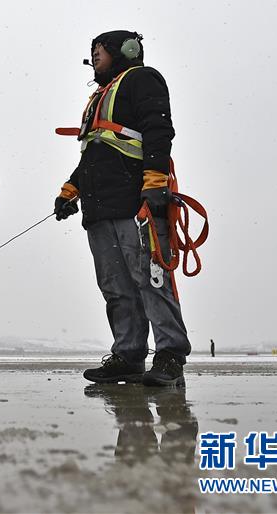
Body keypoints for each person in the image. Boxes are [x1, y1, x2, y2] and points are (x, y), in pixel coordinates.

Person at [54, 30, 191, 387]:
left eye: (98, 50)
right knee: (115, 287)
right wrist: (72, 190)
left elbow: (158, 130)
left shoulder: (142, 79)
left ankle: (170, 355)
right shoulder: (100, 96)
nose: (93, 56)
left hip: (137, 203)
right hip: (100, 210)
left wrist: (156, 182)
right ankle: (128, 355)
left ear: (123, 51)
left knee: (150, 279)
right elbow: (97, 150)